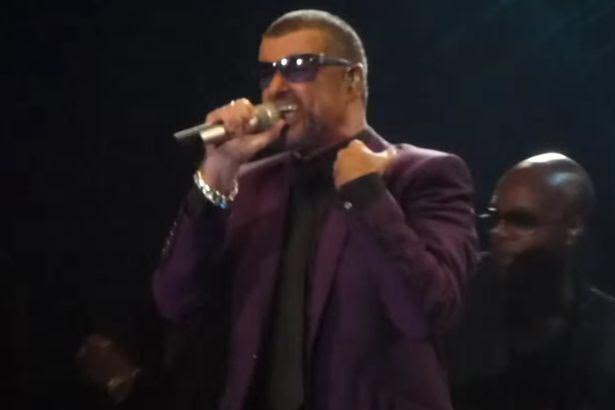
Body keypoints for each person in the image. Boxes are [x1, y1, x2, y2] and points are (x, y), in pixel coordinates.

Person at [153, 9, 477, 410]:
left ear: (352, 80)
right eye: (267, 73)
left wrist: (365, 193)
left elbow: (427, 313)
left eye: (298, 68)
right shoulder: (250, 183)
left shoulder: (422, 174)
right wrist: (217, 171)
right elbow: (176, 300)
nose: (276, 88)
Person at [447, 153, 615, 410]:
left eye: (521, 221)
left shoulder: (606, 333)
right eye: (494, 218)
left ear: (573, 228)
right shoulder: (452, 297)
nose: (499, 233)